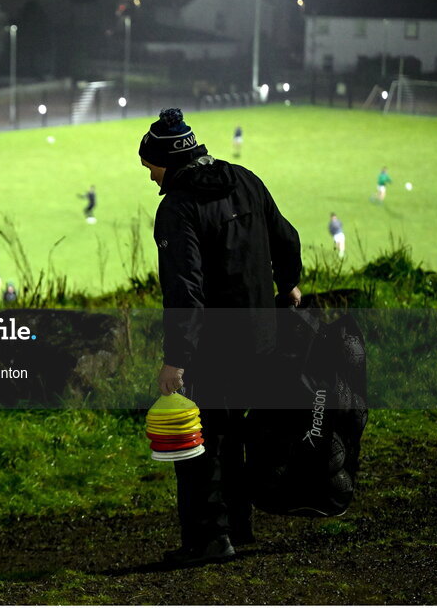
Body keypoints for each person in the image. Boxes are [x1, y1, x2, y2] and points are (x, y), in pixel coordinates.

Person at [138, 107, 302, 567]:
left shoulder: (177, 208)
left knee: (200, 441)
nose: (150, 176)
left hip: (214, 347)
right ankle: (240, 526)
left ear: (166, 160)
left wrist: (177, 358)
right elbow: (286, 237)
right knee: (236, 433)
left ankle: (210, 539)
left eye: (150, 165)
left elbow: (184, 289)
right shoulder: (245, 179)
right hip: (262, 338)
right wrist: (288, 283)